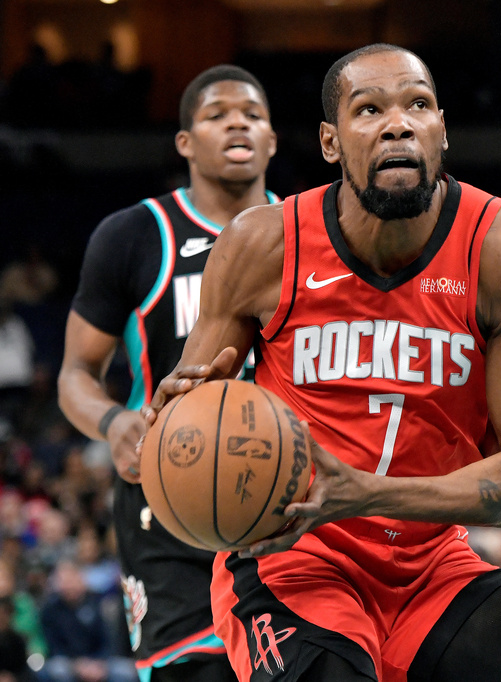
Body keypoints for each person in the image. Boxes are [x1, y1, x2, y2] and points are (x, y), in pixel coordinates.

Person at [142, 44, 501, 682]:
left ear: (443, 129)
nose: (398, 123)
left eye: (418, 104)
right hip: (293, 561)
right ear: (331, 142)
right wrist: (174, 429)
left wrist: (369, 494)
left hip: (433, 572)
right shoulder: (263, 243)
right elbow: (198, 416)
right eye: (369, 109)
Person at [57, 64, 278, 682]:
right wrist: (112, 421)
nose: (237, 121)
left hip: (282, 497)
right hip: (167, 493)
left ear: (272, 140)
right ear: (185, 142)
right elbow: (76, 371)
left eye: (253, 114)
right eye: (216, 114)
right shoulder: (133, 235)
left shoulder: (313, 233)